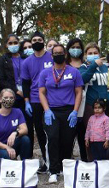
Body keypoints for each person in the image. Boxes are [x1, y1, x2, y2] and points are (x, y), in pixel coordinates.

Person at [38, 44, 83, 183]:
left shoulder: (74, 71)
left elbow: (79, 92)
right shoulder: (45, 73)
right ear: (51, 56)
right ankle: (53, 170)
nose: (58, 55)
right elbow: (41, 92)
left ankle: (65, 167)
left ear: (65, 54)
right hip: (51, 111)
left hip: (69, 110)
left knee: (67, 140)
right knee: (52, 138)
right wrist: (46, 110)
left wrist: (75, 111)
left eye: (60, 52)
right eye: (55, 53)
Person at [71, 40, 109, 162]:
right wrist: (94, 65)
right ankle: (92, 160)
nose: (93, 54)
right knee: (94, 134)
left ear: (99, 54)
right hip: (91, 106)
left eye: (95, 52)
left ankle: (107, 160)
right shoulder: (83, 68)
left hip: (105, 105)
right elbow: (82, 79)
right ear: (85, 55)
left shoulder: (105, 67)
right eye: (90, 53)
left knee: (108, 133)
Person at [20, 31, 53, 173]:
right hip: (34, 100)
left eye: (40, 39)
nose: (37, 42)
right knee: (40, 132)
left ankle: (56, 161)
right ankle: (46, 163)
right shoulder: (27, 62)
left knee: (52, 132)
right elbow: (25, 83)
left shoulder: (51, 57)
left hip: (52, 100)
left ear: (44, 41)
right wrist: (26, 101)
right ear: (31, 42)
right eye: (34, 40)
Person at [0, 88, 31, 160]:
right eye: (6, 98)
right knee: (7, 155)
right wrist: (6, 147)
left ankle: (25, 164)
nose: (8, 100)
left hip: (11, 144)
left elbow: (25, 129)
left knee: (25, 139)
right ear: (0, 99)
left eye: (11, 98)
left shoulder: (18, 112)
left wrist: (15, 133)